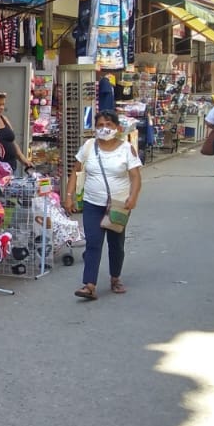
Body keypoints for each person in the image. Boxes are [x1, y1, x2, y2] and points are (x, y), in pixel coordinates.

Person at [64, 110, 141, 300]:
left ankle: (115, 278)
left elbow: (135, 177)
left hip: (118, 205)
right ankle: (89, 285)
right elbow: (75, 172)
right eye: (100, 125)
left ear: (117, 128)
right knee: (93, 242)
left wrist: (133, 197)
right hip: (92, 203)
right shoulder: (88, 146)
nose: (104, 128)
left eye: (108, 125)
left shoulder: (126, 149)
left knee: (116, 244)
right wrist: (69, 196)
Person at [0, 90, 31, 169]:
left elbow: (12, 142)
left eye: (3, 104)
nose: (2, 107)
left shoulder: (4, 119)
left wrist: (23, 159)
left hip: (11, 166)